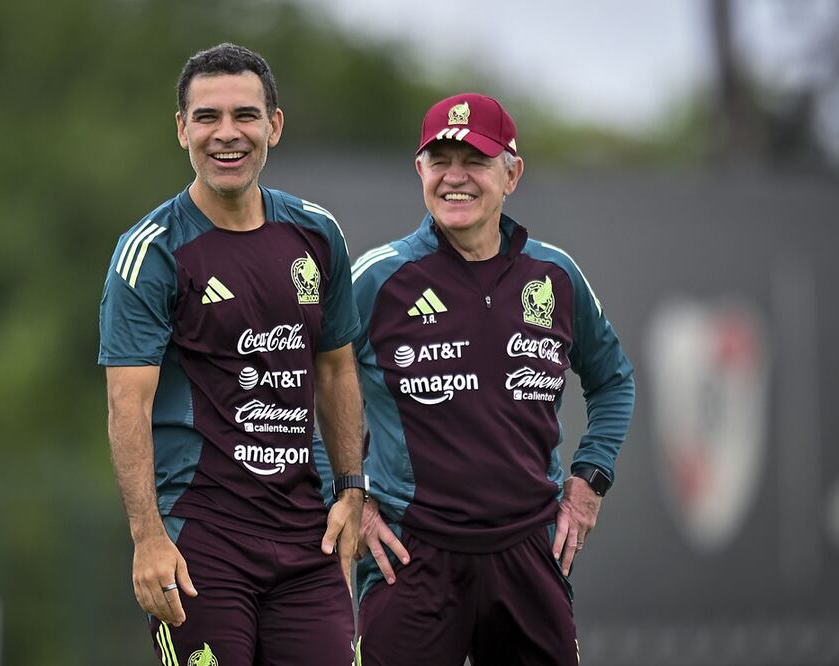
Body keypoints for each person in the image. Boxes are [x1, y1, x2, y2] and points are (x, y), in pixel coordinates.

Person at [98, 43, 366, 666]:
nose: (227, 134)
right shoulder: (153, 251)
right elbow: (126, 405)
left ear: (273, 124)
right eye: (207, 117)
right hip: (201, 545)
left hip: (306, 539)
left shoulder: (316, 233)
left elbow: (335, 369)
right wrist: (147, 538)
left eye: (245, 115)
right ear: (182, 130)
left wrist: (353, 489)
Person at [349, 93, 635, 665]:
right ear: (420, 170)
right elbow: (303, 387)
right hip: (411, 557)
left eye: (475, 160)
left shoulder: (554, 275)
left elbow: (613, 381)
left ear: (511, 173)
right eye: (440, 161)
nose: (456, 178)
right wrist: (349, 497)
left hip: (530, 553)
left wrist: (588, 484)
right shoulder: (378, 278)